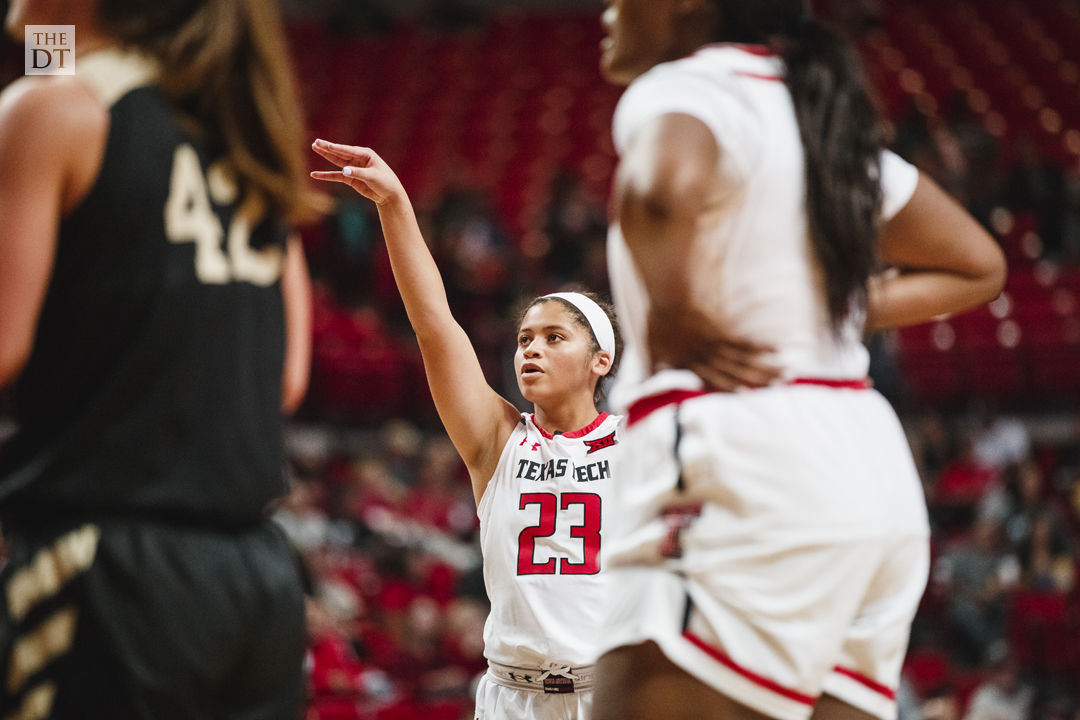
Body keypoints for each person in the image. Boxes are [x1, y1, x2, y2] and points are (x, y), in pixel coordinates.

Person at [592, 2, 1007, 720]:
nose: (605, 12)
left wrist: (677, 315)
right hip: (869, 473)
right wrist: (839, 305)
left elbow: (659, 191)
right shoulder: (825, 119)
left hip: (742, 461)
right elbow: (978, 264)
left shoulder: (689, 86)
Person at [0, 0, 315, 717]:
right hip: (257, 578)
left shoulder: (52, 113)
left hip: (112, 571)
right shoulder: (240, 133)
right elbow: (286, 380)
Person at [310, 139, 628, 720]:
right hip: (513, 697)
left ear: (600, 360)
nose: (531, 349)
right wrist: (395, 205)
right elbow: (435, 327)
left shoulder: (641, 445)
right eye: (524, 338)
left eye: (555, 338)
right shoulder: (498, 438)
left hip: (607, 695)